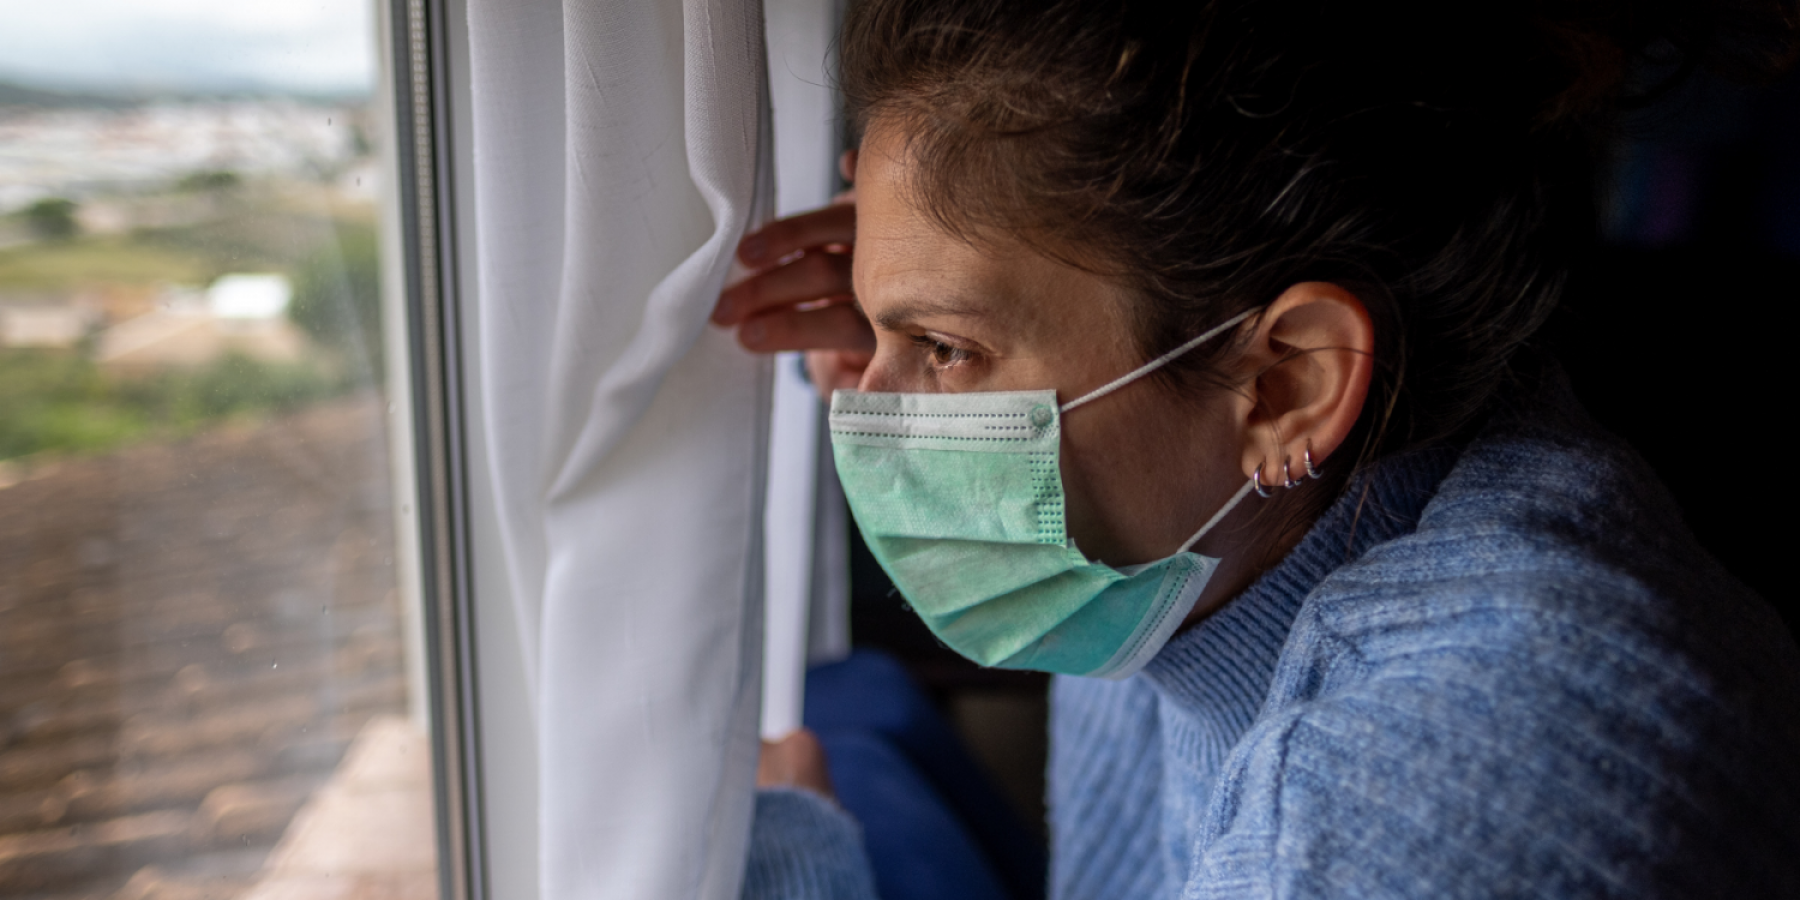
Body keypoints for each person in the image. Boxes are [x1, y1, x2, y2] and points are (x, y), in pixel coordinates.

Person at [712, 0, 1800, 896]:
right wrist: (928, 300)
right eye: (885, 335)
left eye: (944, 349)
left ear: (1290, 383)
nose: (870, 410)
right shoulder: (1207, 509)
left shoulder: (1430, 801)